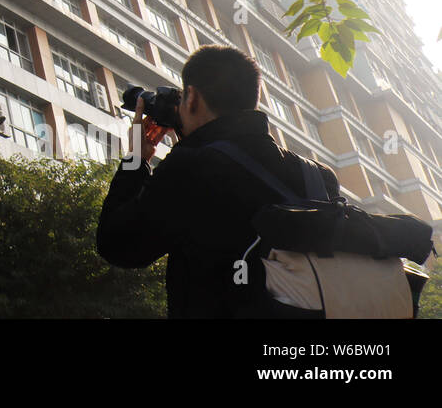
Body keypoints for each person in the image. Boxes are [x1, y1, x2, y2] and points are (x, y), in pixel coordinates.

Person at [96, 43, 339, 318]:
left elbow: (118, 245)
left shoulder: (190, 167)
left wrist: (136, 160)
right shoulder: (318, 176)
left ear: (192, 97)